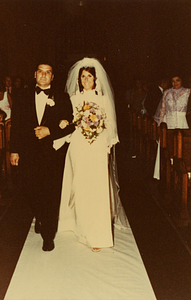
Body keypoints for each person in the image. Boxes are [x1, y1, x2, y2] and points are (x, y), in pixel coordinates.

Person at [58, 57, 129, 252]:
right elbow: (69, 120)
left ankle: (97, 234)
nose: (85, 80)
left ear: (96, 79)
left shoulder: (103, 99)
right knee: (80, 184)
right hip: (79, 144)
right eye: (83, 76)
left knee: (96, 187)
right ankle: (79, 227)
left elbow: (110, 124)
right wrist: (65, 123)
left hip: (97, 145)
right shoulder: (73, 99)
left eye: (89, 76)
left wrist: (101, 136)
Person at [10, 62, 74, 252]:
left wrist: (50, 131)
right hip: (28, 152)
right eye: (41, 72)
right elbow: (16, 126)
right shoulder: (21, 96)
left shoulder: (61, 97)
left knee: (51, 194)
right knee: (29, 190)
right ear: (35, 74)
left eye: (48, 72)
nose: (44, 75)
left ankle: (48, 235)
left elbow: (70, 124)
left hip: (51, 154)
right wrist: (14, 150)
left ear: (53, 77)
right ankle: (39, 215)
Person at [153, 74, 190, 180]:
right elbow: (162, 109)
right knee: (168, 146)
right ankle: (166, 173)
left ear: (182, 80)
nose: (175, 83)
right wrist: (159, 125)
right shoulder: (167, 92)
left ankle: (184, 174)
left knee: (182, 147)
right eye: (173, 81)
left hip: (182, 121)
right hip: (168, 121)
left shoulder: (188, 92)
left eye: (177, 80)